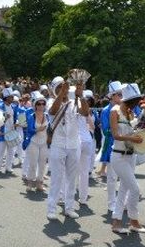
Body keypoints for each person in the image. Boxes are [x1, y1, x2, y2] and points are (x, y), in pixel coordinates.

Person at [46, 77, 88, 221]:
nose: (62, 90)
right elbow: (52, 111)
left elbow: (85, 113)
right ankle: (51, 208)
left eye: (63, 87)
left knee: (72, 178)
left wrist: (80, 95)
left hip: (74, 144)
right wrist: (61, 94)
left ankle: (69, 208)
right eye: (58, 88)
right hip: (58, 144)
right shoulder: (51, 101)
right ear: (54, 90)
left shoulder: (73, 102)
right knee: (57, 178)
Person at [109, 84, 145, 234]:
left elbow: (133, 132)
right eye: (135, 99)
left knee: (124, 190)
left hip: (131, 155)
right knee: (135, 189)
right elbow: (115, 135)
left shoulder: (131, 112)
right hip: (118, 155)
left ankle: (117, 222)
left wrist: (140, 135)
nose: (137, 102)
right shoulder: (115, 111)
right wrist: (132, 137)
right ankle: (134, 220)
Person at [99, 81, 122, 212]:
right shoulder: (106, 111)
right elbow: (106, 130)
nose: (121, 96)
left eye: (121, 94)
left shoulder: (125, 109)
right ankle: (111, 204)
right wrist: (121, 130)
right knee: (112, 177)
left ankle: (122, 202)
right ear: (112, 96)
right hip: (112, 145)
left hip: (125, 145)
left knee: (125, 176)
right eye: (119, 94)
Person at [22, 91, 48, 192]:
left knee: (42, 164)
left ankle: (39, 183)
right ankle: (30, 183)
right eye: (39, 103)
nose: (41, 105)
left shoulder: (48, 116)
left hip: (44, 142)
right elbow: (29, 129)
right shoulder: (31, 115)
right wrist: (38, 129)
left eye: (43, 103)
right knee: (33, 163)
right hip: (33, 142)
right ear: (35, 105)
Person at [77, 90, 95, 205]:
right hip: (88, 140)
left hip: (77, 141)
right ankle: (83, 198)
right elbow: (92, 127)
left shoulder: (75, 109)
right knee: (84, 172)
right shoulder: (87, 112)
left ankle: (64, 196)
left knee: (71, 170)